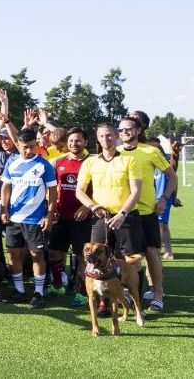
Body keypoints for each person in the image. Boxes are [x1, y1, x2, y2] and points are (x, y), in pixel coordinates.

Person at [75, 124, 143, 309]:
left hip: (126, 216)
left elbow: (136, 191)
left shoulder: (129, 160)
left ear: (116, 136)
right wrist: (93, 206)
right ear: (97, 139)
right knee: (97, 259)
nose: (106, 139)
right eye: (102, 136)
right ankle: (104, 303)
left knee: (131, 260)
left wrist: (122, 213)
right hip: (100, 217)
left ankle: (136, 302)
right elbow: (79, 191)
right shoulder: (90, 162)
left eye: (110, 135)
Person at [116, 116, 177, 313]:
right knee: (127, 256)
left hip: (146, 212)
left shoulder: (151, 151)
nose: (125, 132)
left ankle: (157, 294)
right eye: (122, 129)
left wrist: (164, 199)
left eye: (129, 129)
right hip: (124, 213)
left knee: (151, 253)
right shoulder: (115, 153)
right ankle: (127, 293)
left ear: (138, 130)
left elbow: (172, 177)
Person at [0, 129, 58, 308]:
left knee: (36, 255)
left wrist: (49, 214)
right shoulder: (11, 162)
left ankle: (39, 293)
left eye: (32, 147)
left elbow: (53, 192)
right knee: (14, 255)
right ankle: (19, 291)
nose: (29, 151)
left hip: (35, 219)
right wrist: (4, 209)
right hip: (14, 218)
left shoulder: (44, 165)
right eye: (25, 147)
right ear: (17, 144)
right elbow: (6, 187)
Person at [47, 127, 92, 306]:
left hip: (82, 218)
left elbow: (101, 188)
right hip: (61, 216)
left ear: (85, 142)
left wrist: (87, 207)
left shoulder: (92, 162)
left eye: (78, 140)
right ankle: (58, 285)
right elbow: (50, 187)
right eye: (71, 141)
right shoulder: (58, 162)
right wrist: (51, 208)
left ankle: (83, 292)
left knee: (82, 257)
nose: (74, 144)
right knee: (54, 253)